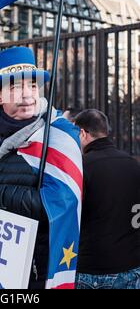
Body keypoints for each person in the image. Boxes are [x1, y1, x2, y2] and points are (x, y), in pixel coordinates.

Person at [0, 46, 82, 289]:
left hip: (38, 274)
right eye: (15, 87)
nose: (28, 95)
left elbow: (60, 203)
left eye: (32, 85)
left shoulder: (58, 138)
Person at [74, 109, 140, 289]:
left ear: (82, 133)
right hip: (132, 266)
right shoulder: (133, 164)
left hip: (93, 269)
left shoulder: (82, 167)